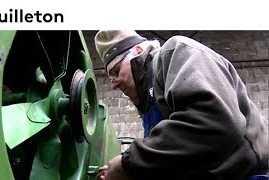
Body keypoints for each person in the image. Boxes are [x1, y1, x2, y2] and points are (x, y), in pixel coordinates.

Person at [94, 30, 269, 180]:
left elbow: (215, 123)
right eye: (110, 78)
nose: (114, 84)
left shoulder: (175, 51)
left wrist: (128, 163)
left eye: (116, 72)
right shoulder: (149, 103)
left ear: (138, 50)